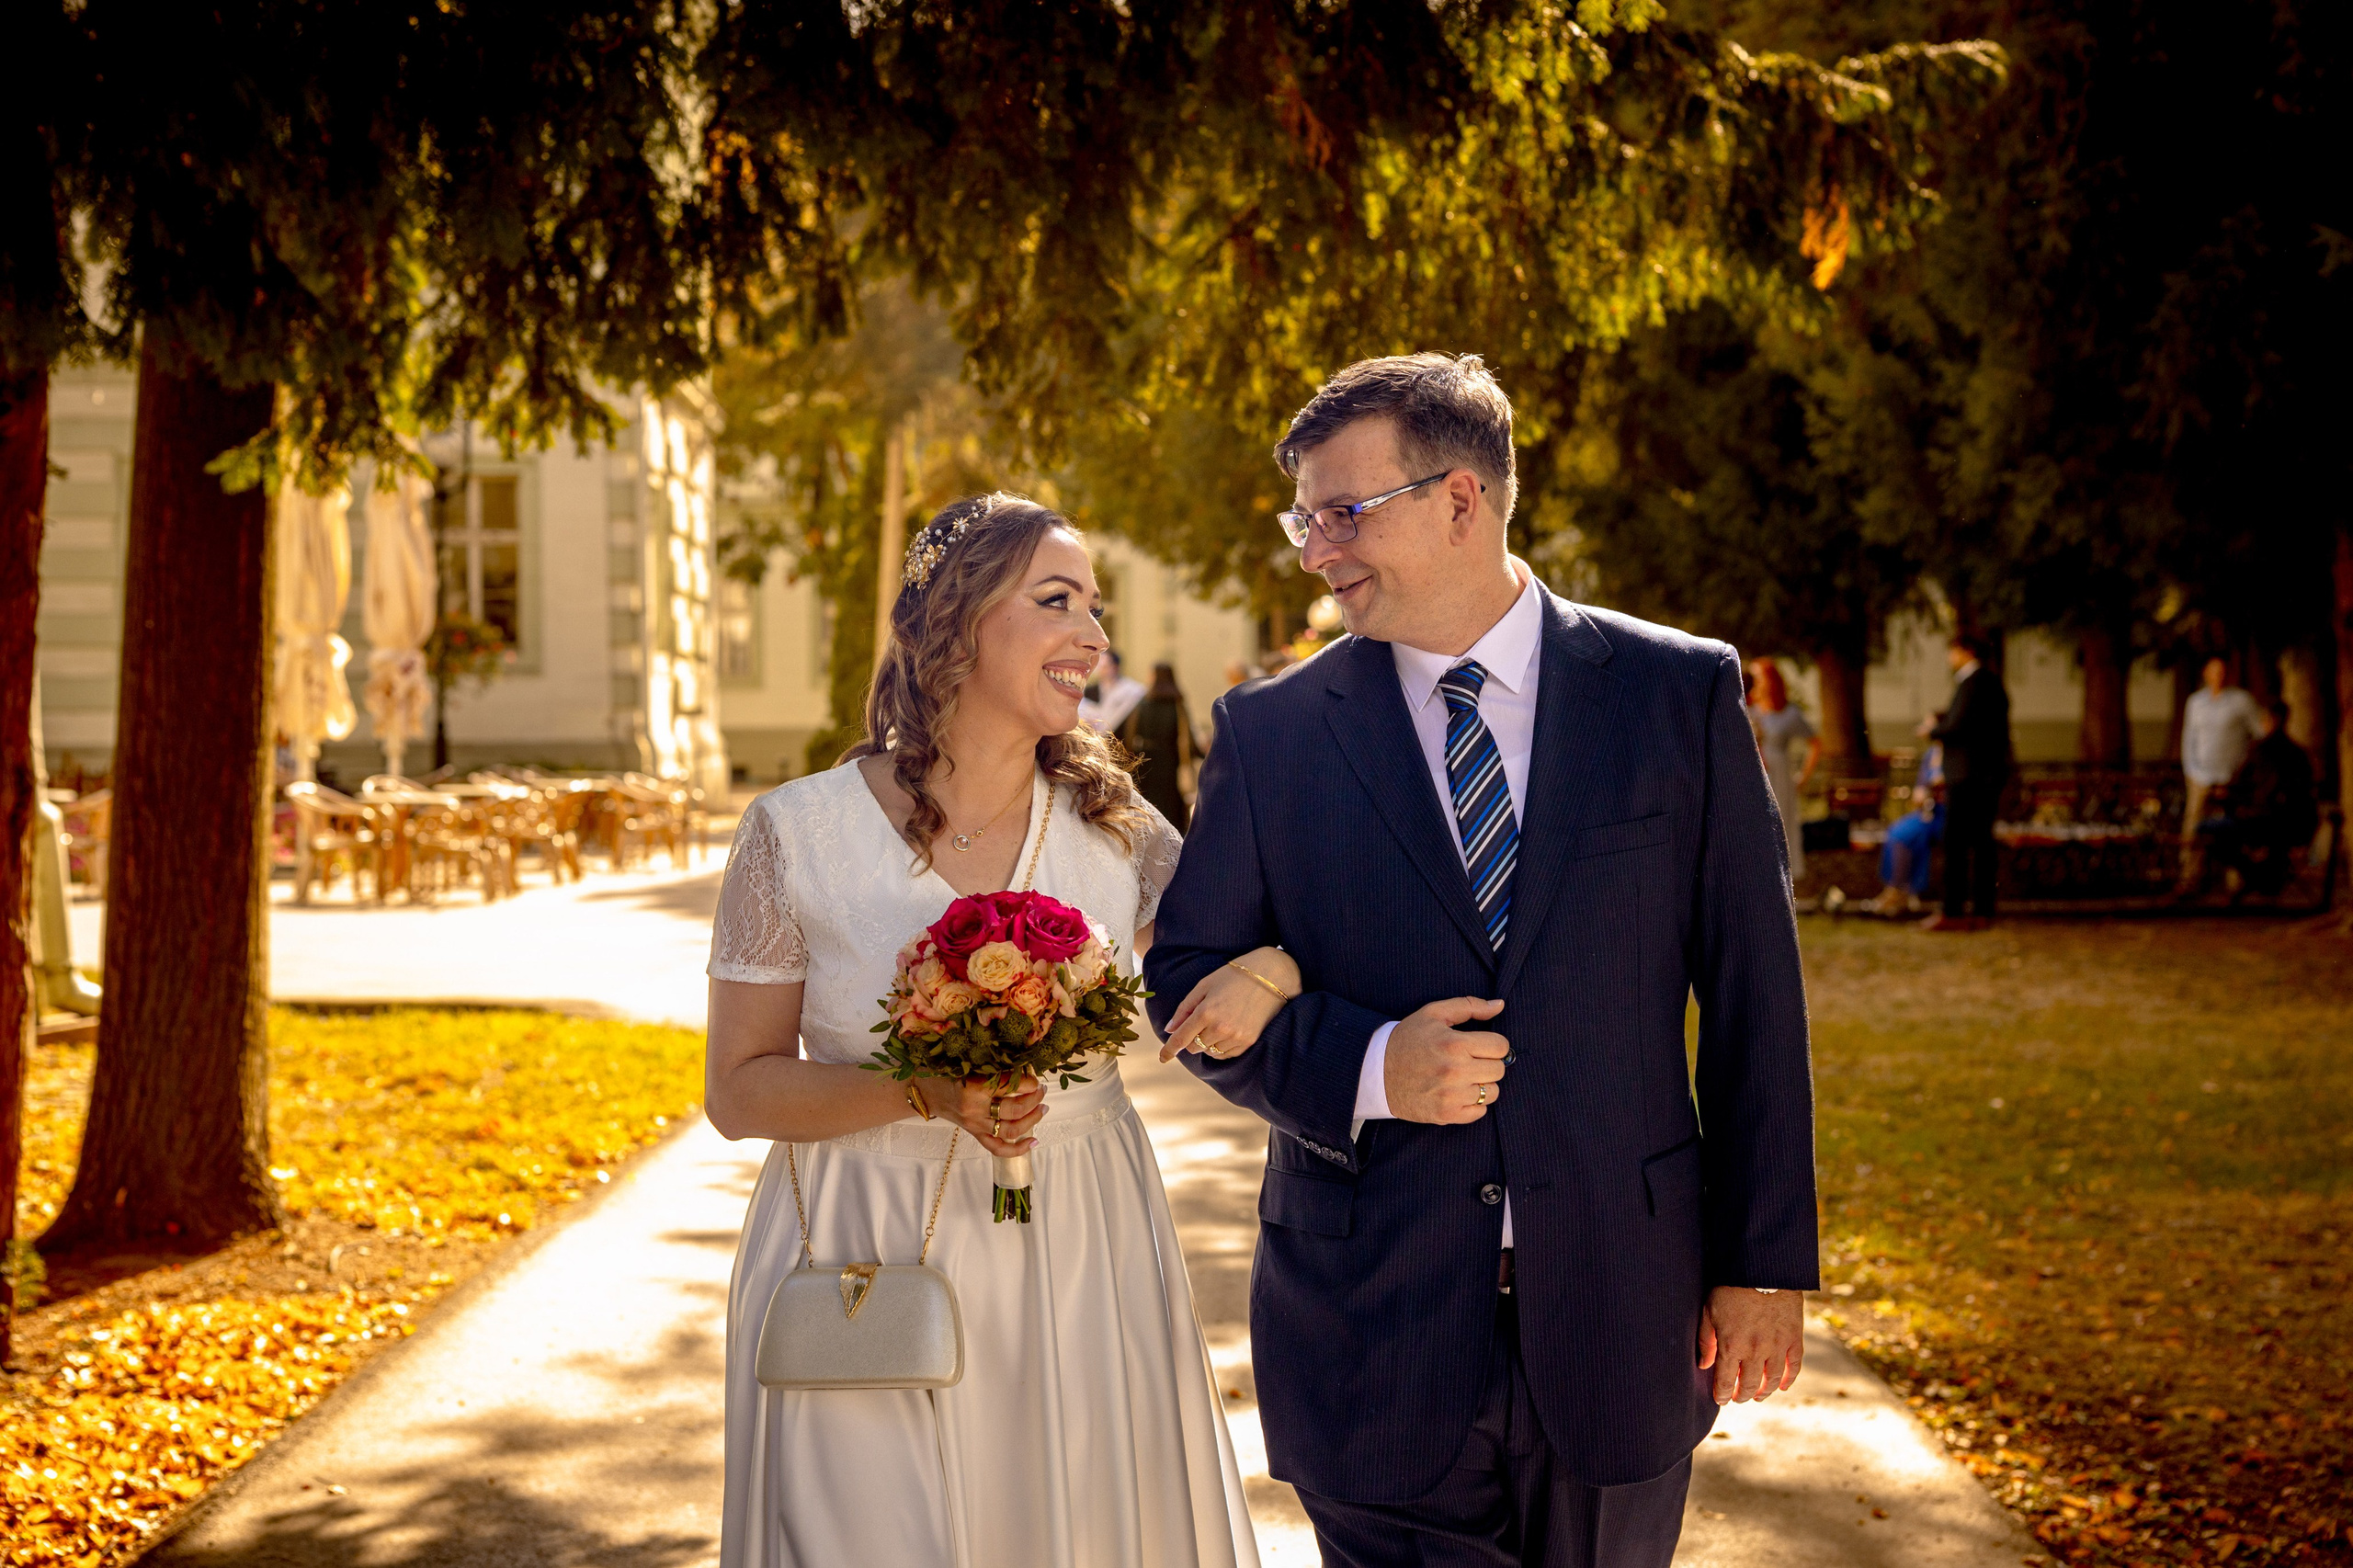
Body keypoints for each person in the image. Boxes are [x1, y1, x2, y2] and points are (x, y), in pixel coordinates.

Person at [1143, 353, 1816, 1568]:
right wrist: (1368, 1067)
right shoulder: (1274, 732)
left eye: (1343, 511)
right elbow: (1186, 978)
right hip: (1369, 1327)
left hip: (1626, 1315)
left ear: (1461, 499)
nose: (1314, 548)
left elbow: (1756, 994)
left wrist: (1764, 1260)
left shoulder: (1678, 693)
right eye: (1306, 516)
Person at [703, 494, 1271, 1568]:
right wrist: (926, 1091)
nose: (1094, 636)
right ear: (957, 619)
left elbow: (1259, 954)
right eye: (1057, 600)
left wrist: (1271, 971)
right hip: (858, 1244)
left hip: (1079, 1236)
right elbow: (738, 1090)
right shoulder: (795, 831)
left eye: (1096, 607)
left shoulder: (1124, 836)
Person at [1922, 633, 2010, 931]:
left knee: (1957, 842)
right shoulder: (1990, 683)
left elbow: (1959, 725)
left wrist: (1934, 729)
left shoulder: (1973, 683)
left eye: (1953, 651)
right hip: (1983, 775)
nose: (1950, 658)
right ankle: (1981, 909)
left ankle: (1955, 910)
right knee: (1981, 842)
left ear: (1966, 652)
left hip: (1969, 776)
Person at [2200, 699, 2318, 898]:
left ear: (2270, 720)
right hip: (2293, 823)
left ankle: (2257, 878)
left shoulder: (2261, 751)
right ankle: (2265, 878)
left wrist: (2227, 796)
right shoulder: (2298, 754)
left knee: (2208, 831)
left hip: (2263, 821)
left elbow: (2243, 786)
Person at [2177, 656, 2267, 886]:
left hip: (2232, 778)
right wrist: (2193, 770)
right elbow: (2189, 740)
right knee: (2194, 828)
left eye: (2223, 671)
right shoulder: (2195, 703)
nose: (2219, 676)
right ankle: (2190, 877)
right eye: (2214, 671)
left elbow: (2259, 734)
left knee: (2232, 829)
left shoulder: (2241, 701)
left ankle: (2234, 880)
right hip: (2200, 777)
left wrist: (2242, 772)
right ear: (2206, 673)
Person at [1745, 658, 1821, 880]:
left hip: (1779, 772)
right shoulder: (1750, 709)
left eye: (1761, 677)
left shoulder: (1789, 714)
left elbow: (1815, 743)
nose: (1757, 682)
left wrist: (1803, 777)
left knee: (1780, 819)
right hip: (1755, 771)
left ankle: (1782, 873)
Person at [1870, 722, 1945, 916]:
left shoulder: (1954, 756)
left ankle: (1899, 890)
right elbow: (1921, 784)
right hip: (1927, 812)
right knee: (1896, 831)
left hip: (1944, 815)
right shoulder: (1931, 754)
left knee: (1907, 836)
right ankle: (1896, 889)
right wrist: (1920, 794)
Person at [1120, 661, 1200, 832]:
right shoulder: (1177, 706)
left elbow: (1122, 732)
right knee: (1170, 807)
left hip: (1145, 762)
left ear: (1154, 677)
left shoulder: (1143, 705)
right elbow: (1189, 740)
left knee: (1148, 805)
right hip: (1171, 763)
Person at [1077, 646, 1148, 733]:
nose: (1101, 670)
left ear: (1115, 667)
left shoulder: (1129, 689)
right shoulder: (1090, 690)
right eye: (1100, 666)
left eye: (1105, 666)